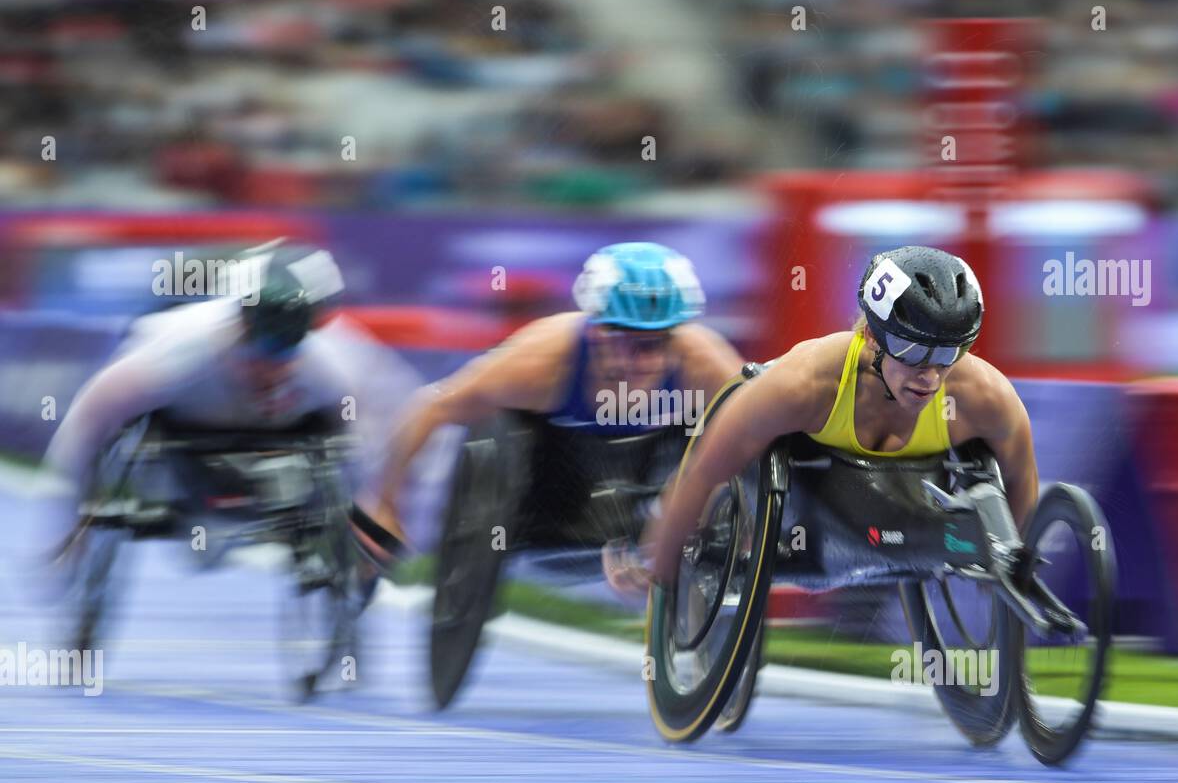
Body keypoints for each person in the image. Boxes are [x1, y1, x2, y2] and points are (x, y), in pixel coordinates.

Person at [642, 245, 1039, 586]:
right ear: (870, 336)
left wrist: (1011, 573)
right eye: (912, 352)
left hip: (898, 505)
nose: (930, 376)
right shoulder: (804, 385)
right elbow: (705, 468)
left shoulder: (984, 396)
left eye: (946, 354)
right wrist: (662, 567)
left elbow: (1021, 478)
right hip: (809, 494)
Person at [362, 242, 745, 586]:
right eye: (628, 340)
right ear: (596, 332)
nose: (646, 359)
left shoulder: (704, 362)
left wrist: (688, 519)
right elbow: (432, 407)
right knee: (510, 423)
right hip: (552, 484)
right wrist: (384, 503)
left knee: (722, 426)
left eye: (660, 341)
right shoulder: (540, 361)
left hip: (659, 470)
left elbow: (759, 433)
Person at [41, 238, 419, 561]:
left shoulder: (330, 367)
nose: (270, 370)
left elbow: (360, 444)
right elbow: (89, 418)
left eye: (284, 356)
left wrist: (367, 512)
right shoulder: (173, 352)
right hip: (182, 440)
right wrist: (71, 518)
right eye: (261, 353)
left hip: (276, 441)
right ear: (240, 328)